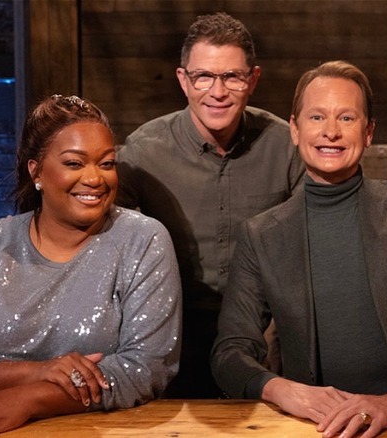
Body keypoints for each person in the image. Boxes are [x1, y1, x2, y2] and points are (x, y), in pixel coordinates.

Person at [211, 60, 387, 438]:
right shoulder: (261, 234)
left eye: (346, 118)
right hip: (315, 428)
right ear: (294, 129)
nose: (330, 132)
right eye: (316, 117)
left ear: (369, 130)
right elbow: (229, 351)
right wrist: (282, 390)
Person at [0, 95, 182, 437]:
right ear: (37, 171)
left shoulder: (143, 240)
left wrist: (31, 399)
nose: (94, 178)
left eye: (106, 163)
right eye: (75, 164)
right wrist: (35, 373)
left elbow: (145, 368)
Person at [115, 11, 304, 398]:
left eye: (232, 77)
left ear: (252, 79)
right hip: (169, 338)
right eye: (204, 76)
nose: (217, 92)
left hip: (262, 338)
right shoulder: (142, 153)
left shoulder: (287, 146)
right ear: (183, 80)